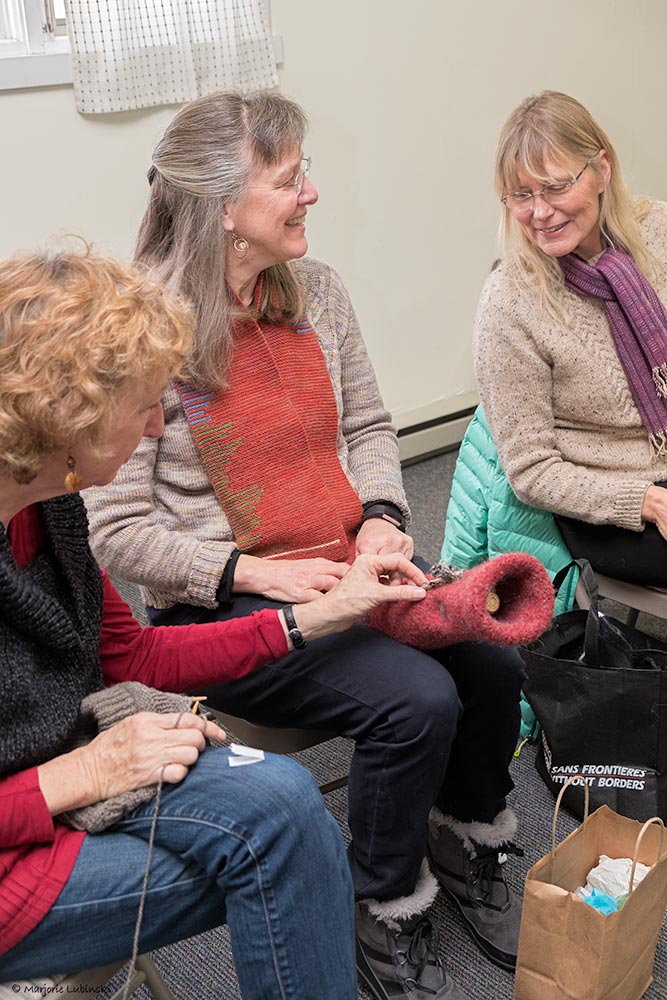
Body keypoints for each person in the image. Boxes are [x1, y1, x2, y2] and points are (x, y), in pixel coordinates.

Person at [85, 90, 527, 1000]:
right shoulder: (143, 329)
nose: (310, 194)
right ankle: (379, 900)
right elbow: (116, 530)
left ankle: (463, 833)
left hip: (347, 560)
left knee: (491, 663)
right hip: (221, 603)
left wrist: (381, 517)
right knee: (417, 701)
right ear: (222, 207)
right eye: (288, 180)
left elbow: (369, 426)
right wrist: (255, 571)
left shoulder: (315, 291)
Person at [0, 247, 437, 1000]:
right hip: (21, 848)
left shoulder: (51, 510)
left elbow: (134, 655)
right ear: (68, 415)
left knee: (288, 804)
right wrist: (86, 772)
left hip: (58, 767)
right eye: (143, 406)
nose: (154, 429)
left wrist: (317, 615)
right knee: (290, 847)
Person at [474, 90, 667, 587]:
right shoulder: (510, 302)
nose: (540, 212)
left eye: (556, 187)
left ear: (601, 169)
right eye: (521, 195)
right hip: (608, 504)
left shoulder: (658, 231)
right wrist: (646, 501)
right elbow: (532, 471)